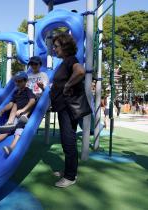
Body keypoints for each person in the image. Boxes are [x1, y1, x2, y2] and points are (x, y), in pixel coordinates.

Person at [50, 33, 87, 188]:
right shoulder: (64, 62)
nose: (54, 48)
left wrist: (67, 85)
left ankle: (70, 176)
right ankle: (67, 171)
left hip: (67, 108)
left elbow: (80, 71)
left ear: (65, 47)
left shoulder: (70, 60)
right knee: (67, 140)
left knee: (68, 140)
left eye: (56, 46)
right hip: (63, 107)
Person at [0, 71, 36, 156]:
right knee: (6, 130)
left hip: (23, 115)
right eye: (16, 81)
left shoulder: (28, 91)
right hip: (15, 117)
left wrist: (23, 110)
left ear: (25, 81)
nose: (18, 83)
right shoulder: (16, 92)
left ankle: (11, 147)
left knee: (19, 131)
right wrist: (3, 109)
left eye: (20, 81)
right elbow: (10, 103)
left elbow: (32, 101)